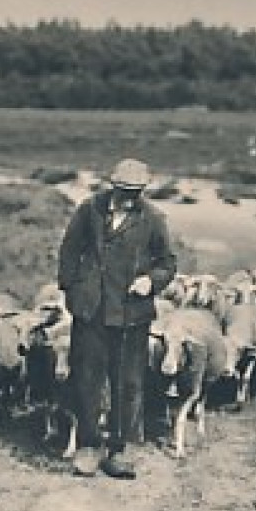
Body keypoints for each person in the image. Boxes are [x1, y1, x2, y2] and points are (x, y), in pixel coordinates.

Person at [56, 157, 178, 479]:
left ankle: (119, 450)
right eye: (123, 189)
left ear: (142, 190)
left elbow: (167, 263)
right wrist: (72, 289)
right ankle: (88, 446)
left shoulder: (153, 219)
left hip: (131, 315)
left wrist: (151, 281)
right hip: (91, 311)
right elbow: (69, 249)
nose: (129, 196)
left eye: (135, 191)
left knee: (128, 384)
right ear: (112, 186)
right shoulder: (90, 210)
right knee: (86, 380)